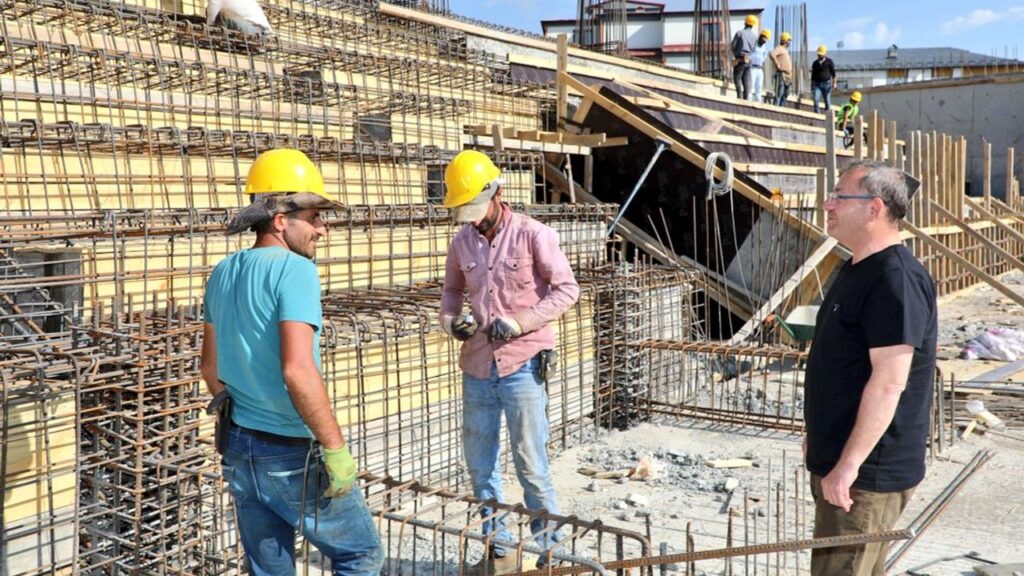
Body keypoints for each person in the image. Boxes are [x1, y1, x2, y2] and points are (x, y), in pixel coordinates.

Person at [201, 148, 383, 576]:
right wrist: (335, 449)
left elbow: (210, 368)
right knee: (360, 555)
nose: (322, 230)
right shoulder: (295, 270)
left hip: (239, 448)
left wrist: (246, 409)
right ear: (281, 220)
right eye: (314, 217)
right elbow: (297, 370)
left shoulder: (223, 271)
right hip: (289, 452)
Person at [439, 150, 580, 575]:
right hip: (478, 366)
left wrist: (520, 323)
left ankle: (553, 555)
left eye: (476, 210)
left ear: (497, 195)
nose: (473, 221)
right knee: (479, 466)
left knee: (530, 464)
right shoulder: (462, 242)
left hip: (523, 364)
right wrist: (451, 322)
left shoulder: (534, 235)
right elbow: (451, 293)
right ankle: (499, 549)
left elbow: (567, 290)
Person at [803, 160, 937, 576]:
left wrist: (848, 466)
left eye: (839, 196)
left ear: (874, 208)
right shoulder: (858, 267)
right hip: (845, 464)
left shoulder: (895, 279)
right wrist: (818, 438)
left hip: (866, 476)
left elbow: (888, 383)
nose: (828, 204)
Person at [730, 15, 759, 100]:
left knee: (737, 78)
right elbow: (753, 49)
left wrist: (735, 52)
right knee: (746, 80)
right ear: (753, 25)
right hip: (748, 59)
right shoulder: (754, 36)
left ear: (745, 22)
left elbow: (732, 46)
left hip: (740, 58)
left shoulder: (740, 33)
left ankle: (739, 97)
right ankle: (746, 98)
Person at [206, 0, 272, 35]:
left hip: (257, 31)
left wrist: (207, 32)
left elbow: (211, 18)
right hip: (264, 31)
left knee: (224, 17)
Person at [770, 32, 794, 106]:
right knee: (779, 92)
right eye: (788, 40)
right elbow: (772, 54)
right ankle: (776, 107)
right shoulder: (779, 48)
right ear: (785, 40)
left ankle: (782, 107)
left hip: (788, 75)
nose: (789, 42)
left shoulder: (785, 50)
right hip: (781, 74)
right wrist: (777, 63)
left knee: (786, 93)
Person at [811, 45, 837, 113]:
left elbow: (833, 73)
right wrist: (812, 86)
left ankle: (827, 113)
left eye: (821, 54)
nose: (820, 55)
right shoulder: (815, 63)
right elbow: (813, 76)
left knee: (827, 100)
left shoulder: (829, 61)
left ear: (824, 54)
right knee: (816, 99)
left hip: (827, 84)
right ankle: (817, 113)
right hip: (817, 85)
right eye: (819, 54)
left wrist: (834, 83)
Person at [749, 29, 771, 102]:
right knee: (751, 86)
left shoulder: (764, 47)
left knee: (759, 87)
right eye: (764, 38)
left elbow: (765, 55)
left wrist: (761, 60)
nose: (765, 41)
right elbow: (749, 53)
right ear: (761, 36)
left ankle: (758, 101)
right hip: (752, 68)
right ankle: (749, 101)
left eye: (766, 39)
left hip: (759, 68)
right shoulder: (754, 44)